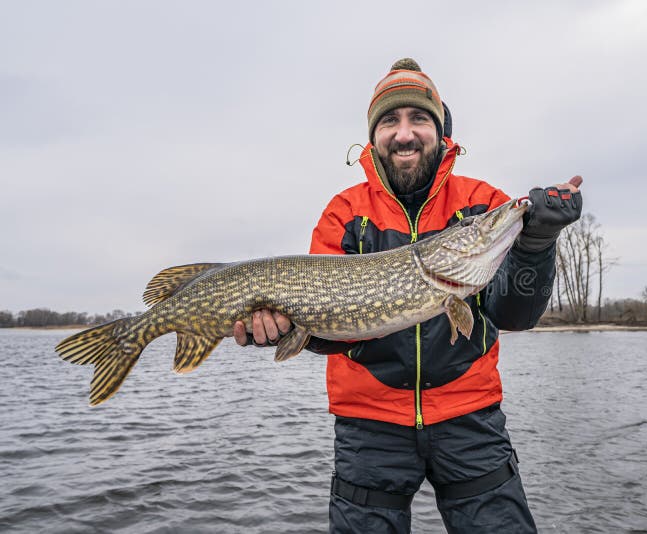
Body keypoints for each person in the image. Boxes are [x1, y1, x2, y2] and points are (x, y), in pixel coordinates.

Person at [233, 58, 582, 533]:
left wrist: (537, 242)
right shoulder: (344, 214)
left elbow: (515, 314)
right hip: (368, 423)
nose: (404, 133)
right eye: (390, 121)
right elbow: (330, 332)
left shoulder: (480, 202)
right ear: (373, 136)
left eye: (419, 118)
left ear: (441, 131)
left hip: (470, 417)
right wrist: (284, 329)